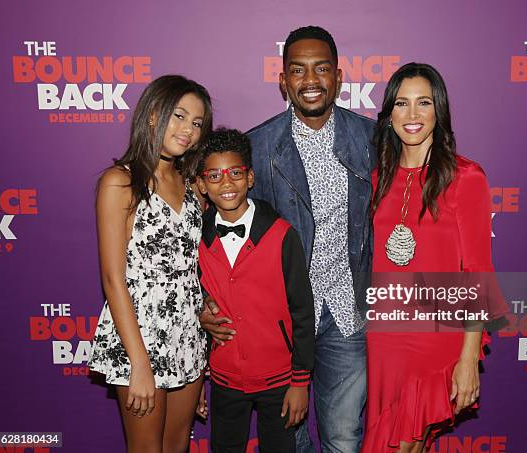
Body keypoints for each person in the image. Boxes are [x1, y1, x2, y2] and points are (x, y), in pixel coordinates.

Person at [199, 26, 376, 453]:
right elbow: (216, 236)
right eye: (297, 70)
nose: (310, 81)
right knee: (287, 442)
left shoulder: (373, 139)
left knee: (343, 436)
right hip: (277, 323)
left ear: (338, 76)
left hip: (346, 314)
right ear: (283, 80)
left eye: (321, 69)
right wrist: (204, 305)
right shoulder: (256, 147)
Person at [362, 63, 507, 453]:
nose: (412, 115)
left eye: (423, 103)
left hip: (436, 337)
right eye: (402, 104)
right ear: (389, 114)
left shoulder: (466, 177)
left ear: (438, 111)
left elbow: (478, 272)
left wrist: (469, 357)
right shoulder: (377, 178)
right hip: (384, 338)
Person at [88, 75, 212, 453]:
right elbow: (113, 280)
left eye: (196, 123)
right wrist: (139, 364)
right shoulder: (119, 183)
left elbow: (193, 268)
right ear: (154, 115)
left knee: (177, 447)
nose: (187, 130)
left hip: (188, 335)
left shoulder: (193, 187)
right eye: (179, 115)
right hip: (138, 336)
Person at [196, 128, 315, 453]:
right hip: (224, 379)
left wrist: (301, 381)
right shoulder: (197, 238)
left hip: (278, 378)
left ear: (250, 178)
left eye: (235, 172)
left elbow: (303, 312)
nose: (226, 183)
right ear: (203, 184)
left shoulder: (281, 236)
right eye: (215, 176)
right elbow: (190, 295)